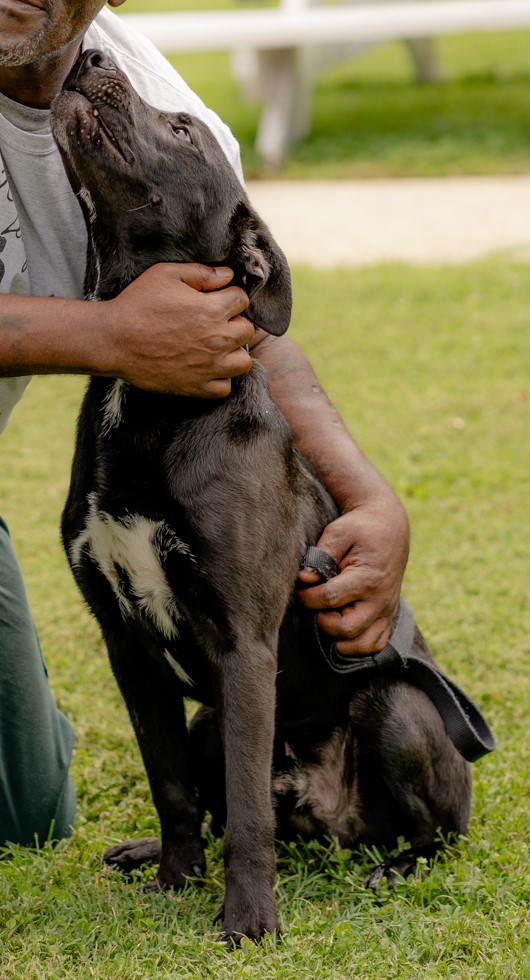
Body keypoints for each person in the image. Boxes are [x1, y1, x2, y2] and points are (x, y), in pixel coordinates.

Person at [0, 0, 409, 847]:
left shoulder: (151, 111)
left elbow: (235, 320)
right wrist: (107, 336)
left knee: (24, 811)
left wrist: (366, 496)